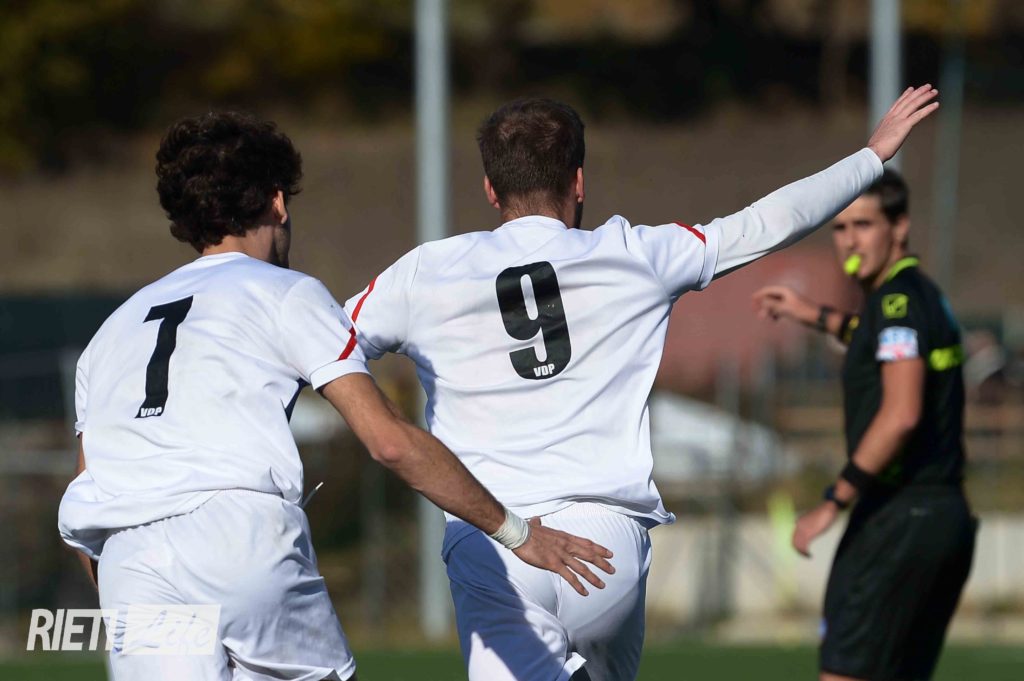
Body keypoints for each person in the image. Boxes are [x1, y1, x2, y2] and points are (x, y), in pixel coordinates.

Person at [342, 86, 940, 680]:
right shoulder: (635, 253)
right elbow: (765, 223)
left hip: (496, 540)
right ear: (578, 182)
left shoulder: (424, 273)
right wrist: (871, 157)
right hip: (607, 546)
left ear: (490, 190)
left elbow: (326, 348)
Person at [57, 111, 612, 681]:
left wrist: (133, 586)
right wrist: (516, 533)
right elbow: (390, 442)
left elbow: (86, 487)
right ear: (277, 202)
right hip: (238, 534)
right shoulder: (284, 292)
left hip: (128, 561)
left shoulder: (110, 334)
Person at [753, 169, 976, 681]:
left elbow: (901, 414)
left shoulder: (897, 303)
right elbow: (882, 341)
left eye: (865, 225)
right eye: (841, 227)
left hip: (898, 518)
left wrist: (833, 501)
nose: (850, 240)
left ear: (900, 228)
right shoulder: (917, 297)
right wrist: (814, 315)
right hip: (944, 517)